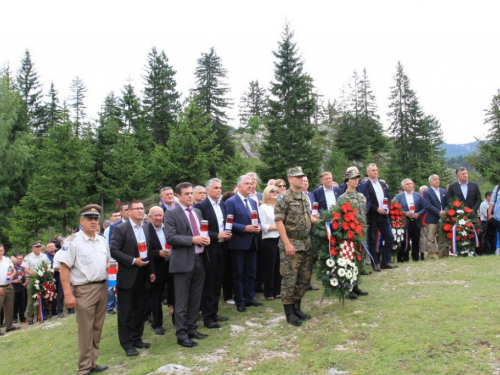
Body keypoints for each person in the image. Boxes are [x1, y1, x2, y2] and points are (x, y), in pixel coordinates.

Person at [55, 204, 110, 375]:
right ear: (81, 222)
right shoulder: (73, 241)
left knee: (97, 327)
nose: (94, 222)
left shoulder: (102, 240)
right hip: (84, 289)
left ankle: (92, 362)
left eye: (96, 219)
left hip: (102, 287)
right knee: (86, 329)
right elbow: (64, 269)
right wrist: (68, 294)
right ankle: (84, 367)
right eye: (89, 219)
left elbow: (107, 262)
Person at [164, 182, 210, 348]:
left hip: (199, 259)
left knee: (195, 298)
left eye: (191, 193)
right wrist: (192, 240)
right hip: (183, 262)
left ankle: (192, 328)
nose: (190, 196)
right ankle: (181, 334)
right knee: (182, 301)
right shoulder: (171, 214)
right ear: (178, 196)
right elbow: (170, 238)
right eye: (186, 194)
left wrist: (205, 239)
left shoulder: (197, 211)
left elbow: (201, 233)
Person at [110, 200, 155, 357]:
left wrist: (151, 270)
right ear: (128, 212)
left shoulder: (146, 228)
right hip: (127, 275)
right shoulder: (121, 229)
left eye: (142, 208)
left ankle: (137, 338)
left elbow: (149, 250)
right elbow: (114, 250)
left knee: (139, 309)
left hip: (143, 274)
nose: (141, 211)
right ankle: (127, 343)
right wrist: (131, 260)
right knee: (126, 311)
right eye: (137, 209)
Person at [275, 167, 319, 326]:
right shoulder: (284, 198)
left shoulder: (304, 197)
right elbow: (279, 221)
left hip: (306, 243)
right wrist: (287, 243)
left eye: (303, 176)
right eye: (298, 177)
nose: (302, 179)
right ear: (290, 179)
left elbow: (309, 218)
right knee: (290, 279)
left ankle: (297, 307)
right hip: (291, 244)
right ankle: (289, 313)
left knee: (304, 278)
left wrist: (321, 222)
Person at [195, 178, 231, 329]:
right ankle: (207, 317)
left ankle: (214, 312)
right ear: (208, 190)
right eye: (216, 188)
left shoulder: (222, 204)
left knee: (218, 281)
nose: (219, 190)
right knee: (209, 282)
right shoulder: (201, 206)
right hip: (210, 247)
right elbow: (200, 229)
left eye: (220, 188)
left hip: (222, 247)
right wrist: (217, 235)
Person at [226, 175, 262, 312]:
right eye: (247, 183)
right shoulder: (231, 202)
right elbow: (229, 222)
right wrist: (244, 228)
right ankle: (240, 301)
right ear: (239, 186)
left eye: (251, 184)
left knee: (251, 271)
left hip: (252, 241)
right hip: (239, 242)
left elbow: (256, 219)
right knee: (239, 273)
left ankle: (249, 298)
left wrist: (257, 226)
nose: (250, 186)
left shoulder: (253, 202)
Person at [338, 170, 369, 299]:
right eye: (353, 178)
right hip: (350, 234)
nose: (356, 180)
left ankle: (355, 286)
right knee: (348, 260)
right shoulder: (343, 198)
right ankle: (347, 287)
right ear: (347, 181)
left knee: (358, 260)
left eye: (357, 178)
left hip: (361, 233)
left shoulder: (361, 196)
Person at [364, 163, 396, 271]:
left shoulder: (382, 184)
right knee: (372, 240)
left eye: (376, 170)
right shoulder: (366, 185)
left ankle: (385, 261)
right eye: (373, 170)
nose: (375, 172)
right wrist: (376, 208)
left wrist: (388, 207)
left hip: (384, 215)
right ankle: (375, 263)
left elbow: (388, 197)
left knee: (390, 237)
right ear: (368, 172)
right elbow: (366, 201)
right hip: (373, 215)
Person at [147, 206, 171, 335]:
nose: (158, 218)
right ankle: (157, 323)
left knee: (173, 294)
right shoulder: (146, 230)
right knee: (156, 297)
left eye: (160, 215)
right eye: (155, 215)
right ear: (149, 217)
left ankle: (176, 319)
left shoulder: (168, 228)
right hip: (156, 267)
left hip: (171, 265)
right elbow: (144, 250)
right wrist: (158, 253)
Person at [258, 185, 282, 300]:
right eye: (272, 191)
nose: (275, 192)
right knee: (269, 266)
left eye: (277, 191)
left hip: (280, 238)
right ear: (267, 193)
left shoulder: (280, 206)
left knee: (279, 265)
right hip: (269, 239)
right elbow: (263, 225)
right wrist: (278, 227)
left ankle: (278, 290)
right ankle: (269, 292)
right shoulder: (263, 207)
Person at [395, 179, 426, 262]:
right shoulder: (399, 196)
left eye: (411, 184)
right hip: (405, 221)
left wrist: (418, 214)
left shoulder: (418, 195)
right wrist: (405, 213)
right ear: (403, 186)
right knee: (405, 241)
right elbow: (394, 208)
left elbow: (424, 207)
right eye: (407, 184)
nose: (409, 185)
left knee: (416, 240)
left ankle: (415, 257)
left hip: (416, 221)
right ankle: (405, 258)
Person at [22, 240, 50, 324]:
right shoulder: (28, 257)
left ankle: (43, 314)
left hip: (43, 278)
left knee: (44, 295)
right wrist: (35, 275)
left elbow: (48, 265)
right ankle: (30, 317)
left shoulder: (44, 256)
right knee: (31, 298)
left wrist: (46, 273)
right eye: (37, 247)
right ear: (33, 248)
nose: (39, 248)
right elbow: (25, 269)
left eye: (40, 247)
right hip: (32, 279)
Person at [422, 174, 449, 259]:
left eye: (438, 179)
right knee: (431, 239)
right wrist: (438, 212)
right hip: (432, 218)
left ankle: (442, 255)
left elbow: (448, 203)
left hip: (443, 218)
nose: (437, 180)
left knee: (442, 238)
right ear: (430, 182)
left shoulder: (444, 191)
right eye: (434, 179)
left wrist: (445, 211)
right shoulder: (427, 192)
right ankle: (431, 256)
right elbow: (427, 205)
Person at [0, 245, 19, 335]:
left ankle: (9, 326)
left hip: (8, 285)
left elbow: (14, 270)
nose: (0, 252)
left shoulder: (7, 259)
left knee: (9, 307)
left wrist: (12, 274)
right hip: (0, 287)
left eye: (1, 250)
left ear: (3, 251)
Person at [11, 255, 27, 324]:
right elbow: (7, 280)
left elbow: (23, 277)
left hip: (21, 288)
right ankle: (14, 317)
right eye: (13, 263)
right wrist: (14, 281)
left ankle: (22, 317)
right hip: (13, 289)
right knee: (14, 304)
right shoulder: (8, 269)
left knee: (22, 303)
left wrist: (23, 277)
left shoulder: (19, 268)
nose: (15, 264)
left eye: (15, 263)